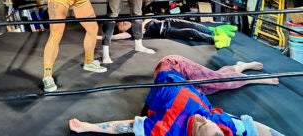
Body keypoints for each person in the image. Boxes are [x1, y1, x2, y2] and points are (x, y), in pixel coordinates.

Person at [69, 55, 282, 135]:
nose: (201, 118)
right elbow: (256, 128)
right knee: (217, 81)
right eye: (205, 121)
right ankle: (249, 75)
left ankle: (240, 67)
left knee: (217, 81)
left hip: (170, 75)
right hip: (177, 68)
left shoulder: (169, 129)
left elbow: (128, 126)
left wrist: (89, 127)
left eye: (200, 126)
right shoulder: (222, 125)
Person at [97, 17, 238, 49]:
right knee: (190, 31)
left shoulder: (136, 22)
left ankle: (212, 30)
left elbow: (149, 17)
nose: (123, 24)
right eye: (121, 25)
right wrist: (102, 37)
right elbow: (116, 37)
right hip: (166, 31)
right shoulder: (131, 33)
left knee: (191, 24)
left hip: (168, 21)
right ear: (121, 29)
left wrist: (144, 24)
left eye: (122, 22)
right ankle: (213, 39)